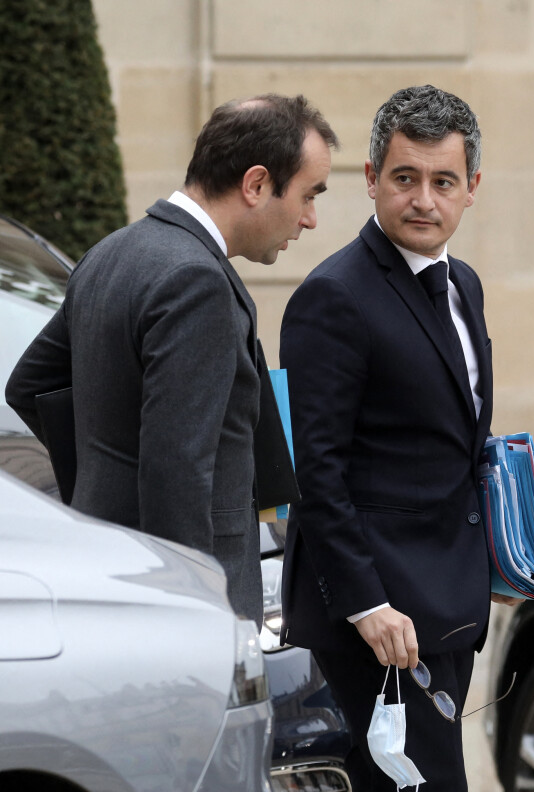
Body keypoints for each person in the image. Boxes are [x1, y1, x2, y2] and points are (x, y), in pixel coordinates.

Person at [280, 85, 516, 792]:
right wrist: (368, 603)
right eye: (406, 177)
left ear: (471, 188)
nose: (423, 199)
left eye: (443, 181)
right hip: (377, 614)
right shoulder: (332, 298)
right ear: (373, 177)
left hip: (445, 600)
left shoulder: (466, 286)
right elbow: (316, 470)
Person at [5, 94, 338, 629]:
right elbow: (176, 468)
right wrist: (189, 613)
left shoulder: (110, 252)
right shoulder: (196, 281)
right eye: (307, 195)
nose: (311, 219)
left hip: (112, 574)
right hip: (188, 610)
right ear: (255, 185)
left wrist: (102, 483)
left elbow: (28, 386)